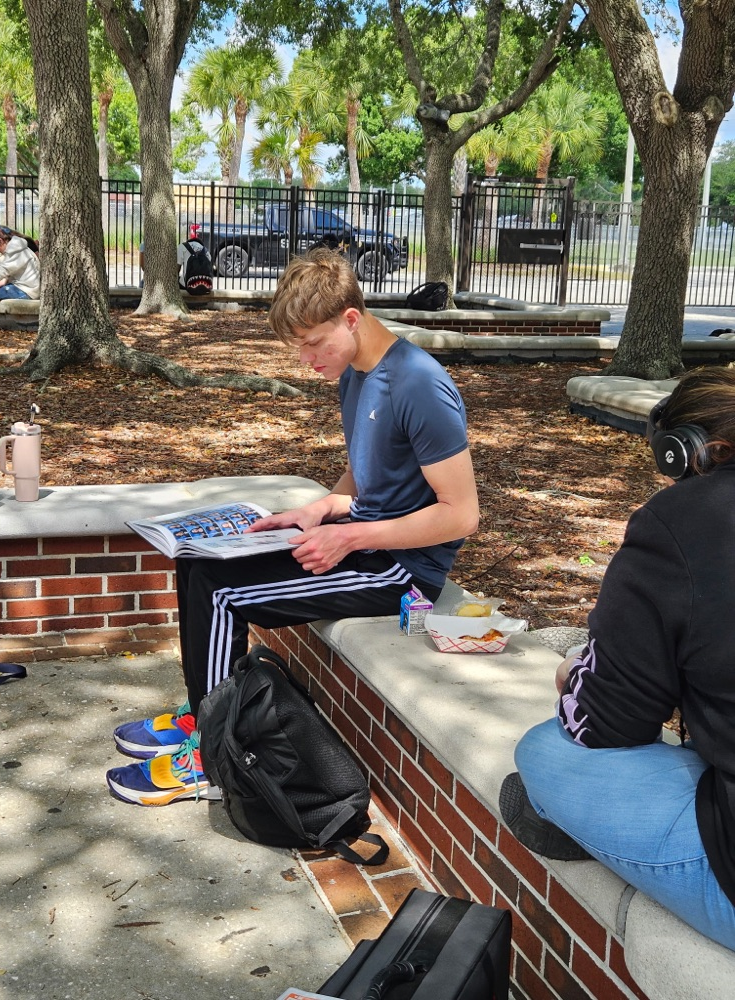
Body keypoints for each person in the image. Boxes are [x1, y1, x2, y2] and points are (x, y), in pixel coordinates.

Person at [106, 248, 479, 806]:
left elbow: (460, 513)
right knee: (197, 563)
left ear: (351, 318)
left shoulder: (419, 385)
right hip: (362, 542)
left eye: (312, 342)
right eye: (297, 345)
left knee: (223, 593)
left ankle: (217, 759)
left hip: (402, 572)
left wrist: (347, 534)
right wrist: (324, 507)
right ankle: (205, 716)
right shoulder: (356, 370)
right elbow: (371, 469)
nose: (305, 358)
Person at [500, 367, 735, 951]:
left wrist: (580, 674)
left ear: (684, 452)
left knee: (544, 751)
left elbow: (609, 723)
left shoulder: (683, 518)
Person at [0, 227, 40, 300]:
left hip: (26, 291)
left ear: (0, 241)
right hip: (25, 288)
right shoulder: (17, 248)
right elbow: (7, 277)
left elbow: (1, 272)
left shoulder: (15, 251)